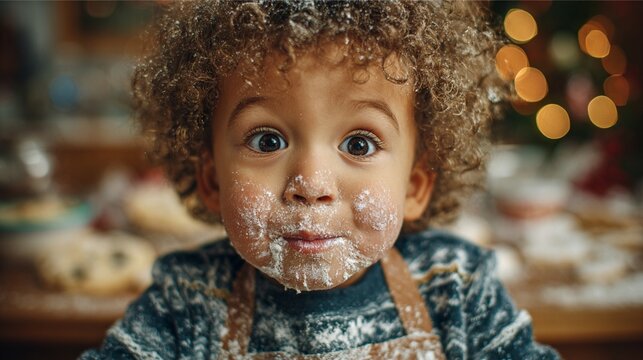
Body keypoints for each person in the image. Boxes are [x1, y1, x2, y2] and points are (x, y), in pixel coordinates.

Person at [82, 1, 559, 359]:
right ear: (211, 179)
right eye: (267, 141)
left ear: (415, 186)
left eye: (359, 144)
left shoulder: (456, 288)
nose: (310, 183)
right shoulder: (186, 302)